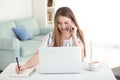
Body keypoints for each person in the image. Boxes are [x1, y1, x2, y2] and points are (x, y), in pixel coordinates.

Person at [16, 7, 86, 74]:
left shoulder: (77, 36)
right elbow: (38, 55)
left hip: (72, 72)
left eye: (66, 23)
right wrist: (24, 66)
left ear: (72, 22)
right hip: (54, 72)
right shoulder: (50, 37)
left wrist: (74, 36)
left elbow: (81, 59)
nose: (63, 26)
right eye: (59, 23)